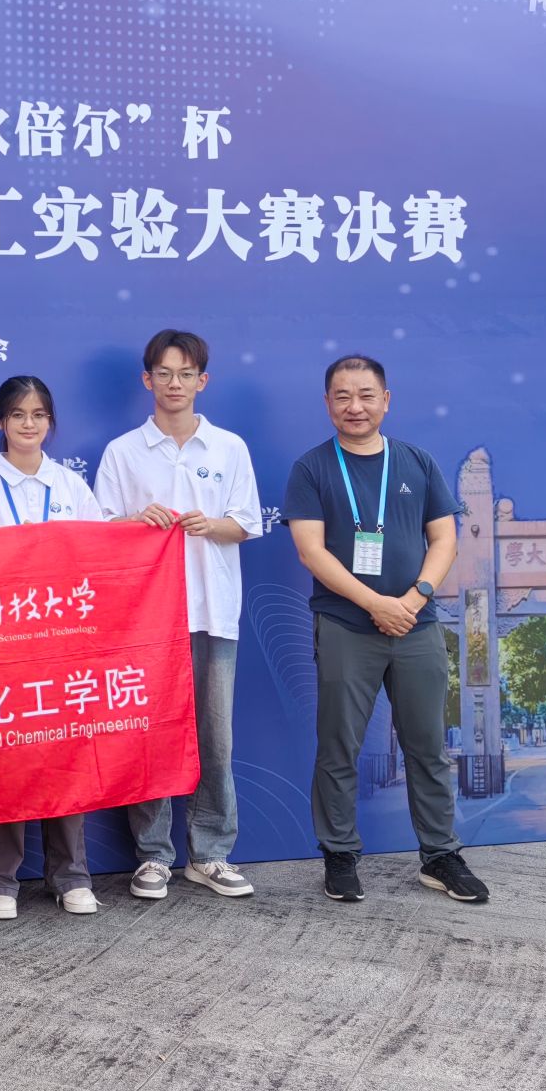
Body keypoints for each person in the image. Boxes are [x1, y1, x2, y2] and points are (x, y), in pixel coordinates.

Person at [285, 355, 489, 905]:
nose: (355, 406)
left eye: (366, 395)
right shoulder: (311, 468)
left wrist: (415, 597)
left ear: (386, 401)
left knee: (428, 746)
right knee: (339, 747)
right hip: (346, 625)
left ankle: (440, 856)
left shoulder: (417, 462)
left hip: (416, 625)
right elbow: (310, 551)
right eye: (343, 396)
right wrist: (376, 603)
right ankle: (340, 855)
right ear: (327, 403)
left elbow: (444, 539)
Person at [94, 328, 262, 902]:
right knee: (150, 735)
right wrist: (136, 522)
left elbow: (246, 523)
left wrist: (209, 525)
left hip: (213, 611)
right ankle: (153, 855)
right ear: (147, 380)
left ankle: (210, 853)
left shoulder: (229, 447)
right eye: (163, 374)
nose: (174, 384)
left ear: (202, 381)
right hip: (146, 619)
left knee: (215, 737)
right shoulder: (123, 451)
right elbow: (100, 528)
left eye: (185, 374)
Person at [0, 375, 105, 921]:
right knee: (6, 760)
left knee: (66, 756)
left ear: (50, 422)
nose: (28, 424)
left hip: (64, 645)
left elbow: (98, 556)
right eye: (17, 414)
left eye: (38, 414)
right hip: (2, 644)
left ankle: (72, 875)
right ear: (0, 422)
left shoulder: (70, 486)